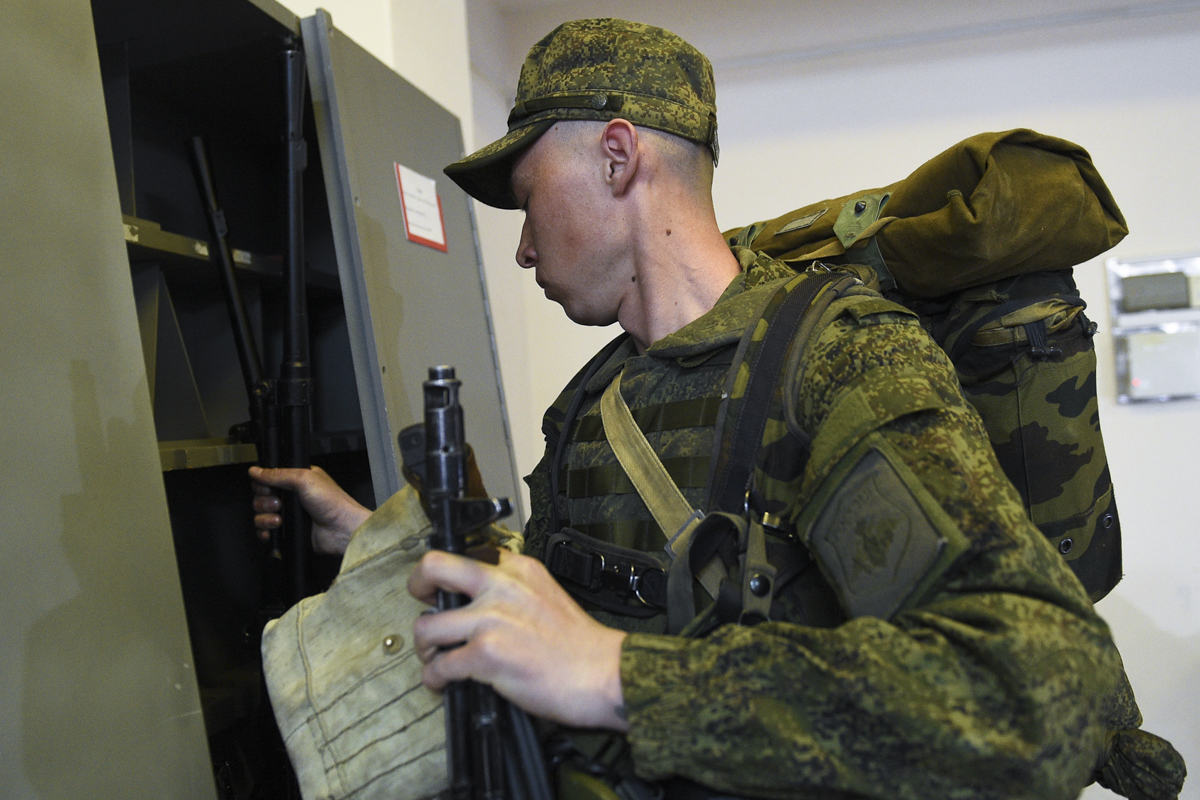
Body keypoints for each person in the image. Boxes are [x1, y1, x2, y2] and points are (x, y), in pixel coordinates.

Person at [252, 18, 1164, 800]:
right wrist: (380, 537)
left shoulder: (838, 360)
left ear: (618, 156)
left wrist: (617, 679)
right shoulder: (597, 397)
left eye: (529, 201)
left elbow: (1042, 687)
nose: (525, 248)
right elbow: (611, 592)